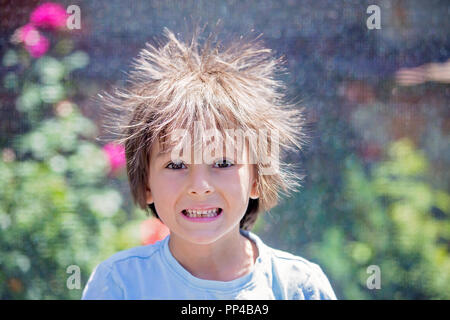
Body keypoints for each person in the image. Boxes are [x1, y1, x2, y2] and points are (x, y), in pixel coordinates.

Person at [82, 26, 337, 300]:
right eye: (177, 165)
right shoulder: (120, 284)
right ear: (146, 185)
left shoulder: (298, 287)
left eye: (223, 162)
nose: (200, 186)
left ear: (256, 179)